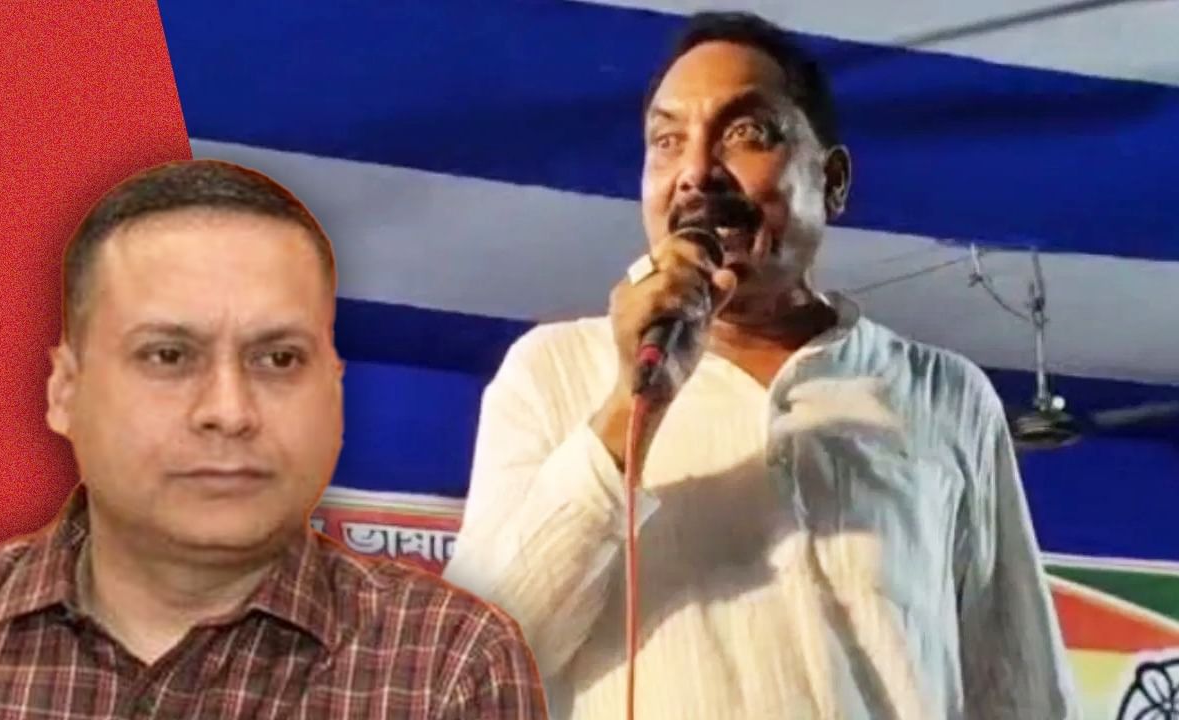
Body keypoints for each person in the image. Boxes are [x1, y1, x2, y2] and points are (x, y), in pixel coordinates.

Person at [443, 11, 1078, 720]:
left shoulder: (945, 395)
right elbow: (474, 664)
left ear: (832, 180)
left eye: (746, 132)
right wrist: (628, 405)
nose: (695, 173)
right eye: (666, 141)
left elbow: (1019, 687)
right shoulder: (554, 371)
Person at [0, 160, 546, 719]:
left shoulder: (449, 665)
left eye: (279, 359)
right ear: (66, 391)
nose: (229, 412)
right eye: (168, 356)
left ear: (335, 390)